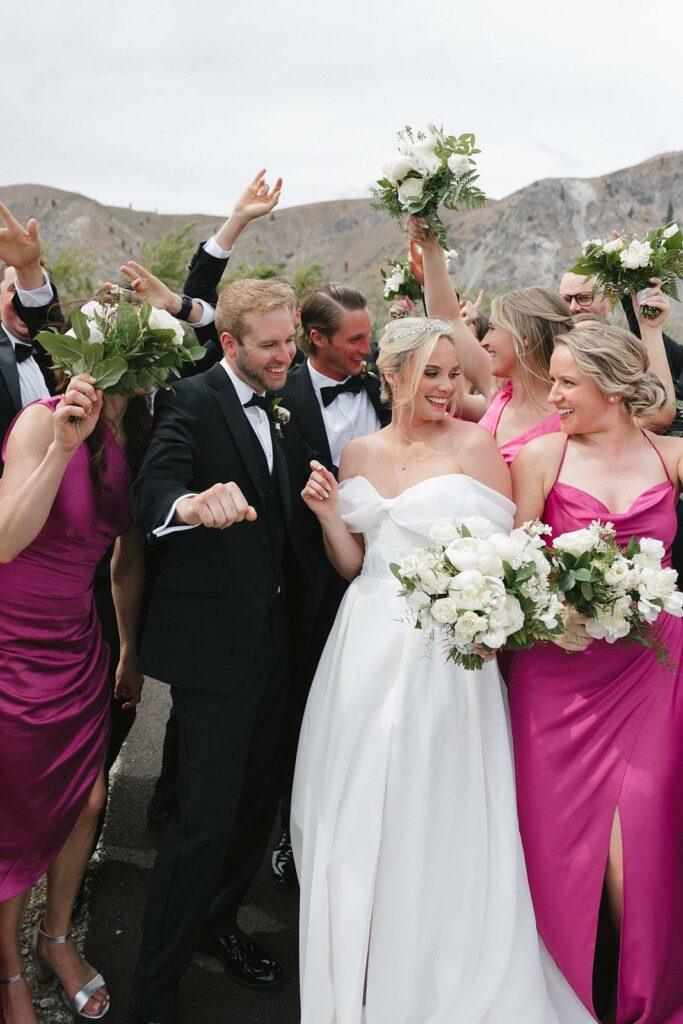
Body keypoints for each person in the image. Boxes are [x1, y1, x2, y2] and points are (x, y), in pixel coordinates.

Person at [291, 315, 593, 1024]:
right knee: (353, 804)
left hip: (445, 653)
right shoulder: (357, 451)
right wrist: (333, 518)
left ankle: (437, 970)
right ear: (392, 374)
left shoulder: (476, 444)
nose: (448, 386)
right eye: (432, 373)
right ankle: (364, 967)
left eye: (455, 373)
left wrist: (496, 622)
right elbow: (354, 565)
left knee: (435, 805)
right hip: (362, 644)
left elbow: (516, 555)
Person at [130, 278, 318, 1023]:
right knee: (201, 822)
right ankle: (154, 987)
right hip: (215, 655)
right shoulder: (192, 399)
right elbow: (155, 489)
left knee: (251, 811)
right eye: (269, 344)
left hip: (282, 646)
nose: (285, 355)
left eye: (290, 339)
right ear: (230, 343)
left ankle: (220, 923)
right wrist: (188, 505)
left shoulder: (288, 396)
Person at [508, 321, 683, 1022]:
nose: (550, 394)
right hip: (558, 676)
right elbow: (514, 570)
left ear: (611, 386)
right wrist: (554, 616)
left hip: (652, 666)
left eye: (565, 381)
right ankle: (564, 1002)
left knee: (639, 841)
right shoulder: (540, 457)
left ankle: (650, 1006)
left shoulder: (670, 454)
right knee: (560, 850)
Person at [0, 364, 148, 1023]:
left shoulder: (134, 430)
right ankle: (8, 973)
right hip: (13, 646)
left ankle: (53, 938)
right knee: (14, 822)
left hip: (78, 645)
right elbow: (5, 541)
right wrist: (61, 448)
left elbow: (127, 554)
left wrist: (128, 647)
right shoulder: (42, 419)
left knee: (87, 803)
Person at [269, 283, 391, 887]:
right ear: (314, 339)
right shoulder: (276, 395)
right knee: (301, 709)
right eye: (355, 340)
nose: (367, 350)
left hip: (383, 578)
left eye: (370, 336)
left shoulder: (384, 387)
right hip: (304, 582)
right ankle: (292, 834)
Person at [409, 219, 676, 460]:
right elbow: (447, 317)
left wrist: (650, 329)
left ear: (524, 338)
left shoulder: (570, 409)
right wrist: (431, 247)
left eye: (492, 329)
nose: (483, 341)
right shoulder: (498, 391)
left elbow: (658, 416)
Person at [0, 203, 53, 459]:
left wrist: (28, 268)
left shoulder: (69, 353)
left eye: (28, 292)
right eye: (13, 290)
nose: (22, 300)